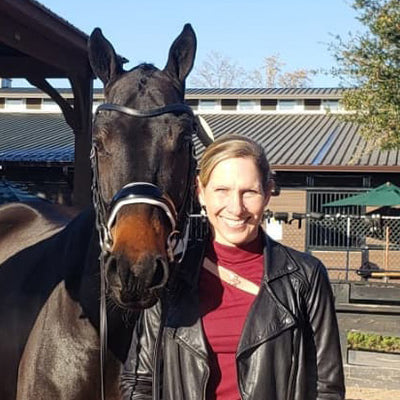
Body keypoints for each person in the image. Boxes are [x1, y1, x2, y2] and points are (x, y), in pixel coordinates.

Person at [120, 134, 345, 400]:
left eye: (249, 192)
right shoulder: (171, 276)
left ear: (268, 193)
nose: (236, 208)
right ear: (201, 192)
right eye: (222, 190)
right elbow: (139, 381)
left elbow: (327, 387)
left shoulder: (304, 276)